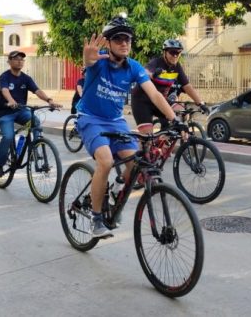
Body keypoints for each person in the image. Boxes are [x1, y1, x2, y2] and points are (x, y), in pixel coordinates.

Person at [76, 16, 177, 239]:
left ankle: (113, 193)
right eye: (119, 39)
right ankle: (95, 217)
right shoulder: (99, 63)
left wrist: (174, 119)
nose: (124, 43)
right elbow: (89, 62)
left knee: (137, 163)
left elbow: (154, 94)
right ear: (109, 43)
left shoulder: (134, 67)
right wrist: (87, 57)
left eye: (127, 39)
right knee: (106, 160)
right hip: (90, 118)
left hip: (116, 121)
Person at [0, 51, 58, 177]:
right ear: (9, 62)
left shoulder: (26, 78)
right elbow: (5, 90)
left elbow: (37, 90)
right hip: (4, 113)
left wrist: (49, 100)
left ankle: (34, 148)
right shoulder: (4, 77)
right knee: (8, 137)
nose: (20, 61)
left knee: (35, 121)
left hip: (20, 111)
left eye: (22, 59)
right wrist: (11, 101)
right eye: (16, 59)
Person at [131, 38, 209, 133]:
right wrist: (153, 75)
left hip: (161, 101)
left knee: (181, 112)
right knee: (147, 139)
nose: (175, 56)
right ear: (165, 52)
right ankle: (148, 145)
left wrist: (200, 103)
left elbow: (187, 86)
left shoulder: (177, 67)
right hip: (142, 102)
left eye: (178, 53)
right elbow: (145, 72)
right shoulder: (156, 62)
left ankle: (167, 139)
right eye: (172, 52)